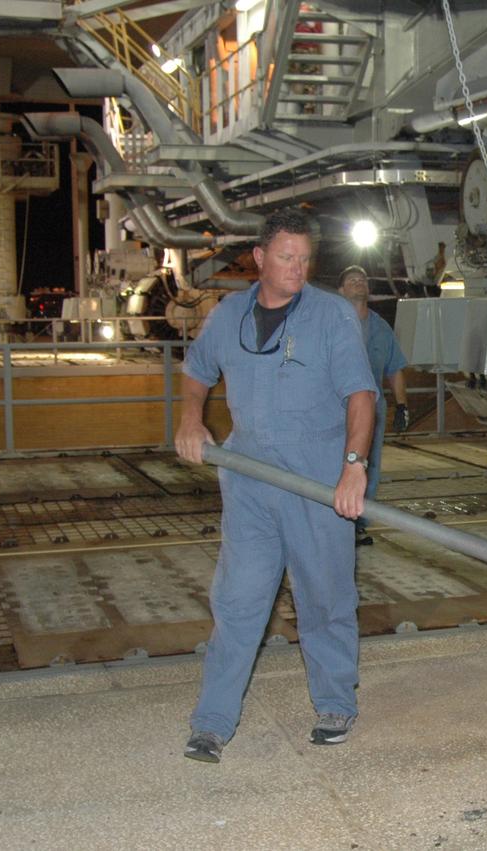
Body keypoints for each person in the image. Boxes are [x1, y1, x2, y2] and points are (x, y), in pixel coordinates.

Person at [174, 208, 377, 763]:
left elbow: (361, 396)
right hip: (249, 482)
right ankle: (212, 723)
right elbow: (196, 373)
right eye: (286, 258)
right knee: (238, 602)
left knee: (326, 598)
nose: (297, 268)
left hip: (316, 483)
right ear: (260, 259)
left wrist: (353, 465)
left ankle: (334, 702)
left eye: (306, 259)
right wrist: (191, 419)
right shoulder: (227, 314)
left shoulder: (332, 316)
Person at [336, 266, 410, 546]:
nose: (359, 283)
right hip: (335, 409)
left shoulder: (380, 327)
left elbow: (394, 368)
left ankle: (357, 523)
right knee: (335, 463)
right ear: (341, 291)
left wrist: (402, 405)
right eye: (352, 280)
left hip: (372, 412)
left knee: (370, 466)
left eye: (363, 280)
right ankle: (334, 522)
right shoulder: (332, 325)